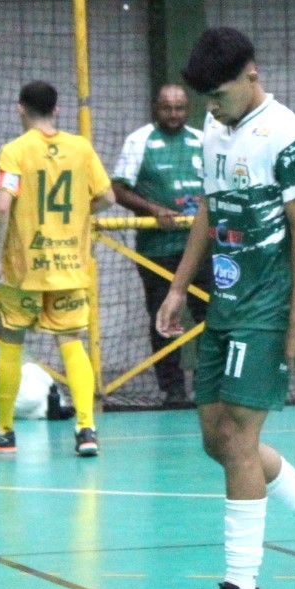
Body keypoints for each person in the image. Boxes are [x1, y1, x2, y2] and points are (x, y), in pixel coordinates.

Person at [159, 27, 295, 589]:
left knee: (241, 440)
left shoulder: (286, 133)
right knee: (217, 440)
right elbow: (208, 206)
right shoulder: (215, 132)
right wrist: (178, 287)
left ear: (252, 76)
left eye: (219, 95)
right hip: (222, 302)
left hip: (268, 306)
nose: (210, 108)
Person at [0, 82, 113, 457]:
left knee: (11, 343)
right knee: (72, 344)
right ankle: (86, 429)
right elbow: (107, 197)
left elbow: (3, 206)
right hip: (69, 265)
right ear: (58, 108)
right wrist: (80, 214)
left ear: (21, 109)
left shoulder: (15, 151)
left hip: (24, 269)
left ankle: (3, 431)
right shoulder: (81, 148)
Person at [112, 84, 208, 407]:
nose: (174, 114)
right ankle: (173, 389)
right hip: (158, 250)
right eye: (167, 108)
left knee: (212, 313)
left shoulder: (202, 140)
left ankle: (209, 383)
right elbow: (118, 189)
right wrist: (153, 209)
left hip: (202, 247)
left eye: (180, 108)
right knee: (164, 317)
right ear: (156, 108)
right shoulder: (139, 141)